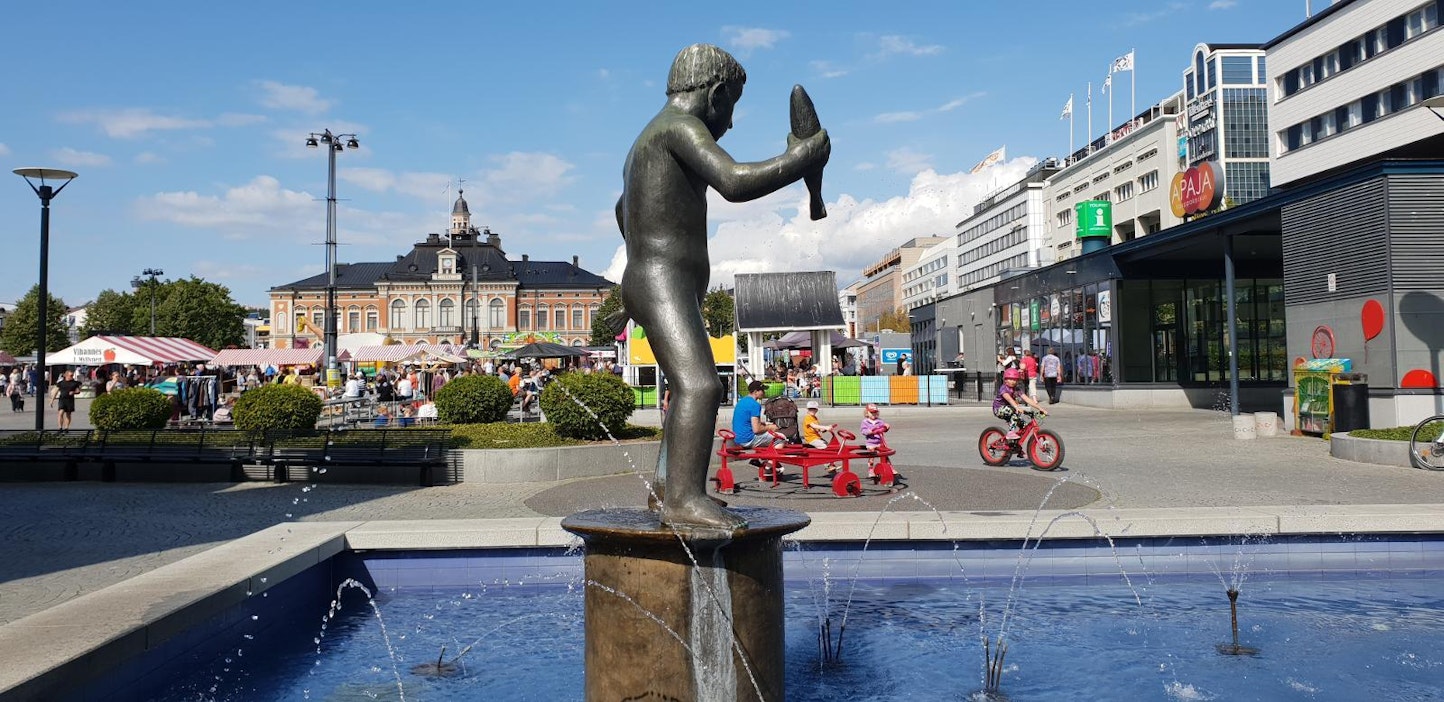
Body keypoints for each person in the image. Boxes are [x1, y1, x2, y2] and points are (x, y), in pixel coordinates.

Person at [616, 43, 829, 529]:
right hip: (663, 279)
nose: (730, 123)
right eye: (730, 105)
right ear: (714, 94)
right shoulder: (679, 128)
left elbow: (621, 209)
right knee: (701, 386)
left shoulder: (645, 143)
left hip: (657, 278)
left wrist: (638, 264)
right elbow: (733, 181)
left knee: (684, 387)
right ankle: (684, 500)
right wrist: (801, 158)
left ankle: (666, 489)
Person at [993, 367, 1047, 441]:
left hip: (1010, 408)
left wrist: (1040, 408)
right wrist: (1016, 407)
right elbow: (1009, 398)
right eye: (1010, 379)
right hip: (999, 409)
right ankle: (1011, 433)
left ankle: (1014, 445)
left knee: (1024, 426)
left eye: (1015, 379)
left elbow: (1027, 399)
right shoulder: (1004, 388)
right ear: (1005, 380)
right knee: (1014, 412)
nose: (1013, 381)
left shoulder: (1017, 389)